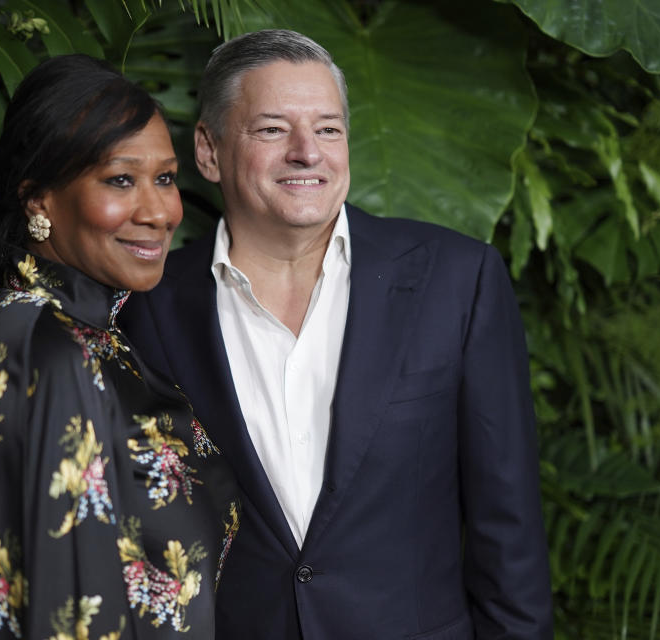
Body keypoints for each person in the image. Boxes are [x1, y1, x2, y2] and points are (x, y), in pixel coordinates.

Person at [119, 30, 554, 639]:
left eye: (328, 129)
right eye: (272, 129)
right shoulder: (149, 306)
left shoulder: (457, 280)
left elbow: (509, 534)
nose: (307, 152)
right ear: (210, 150)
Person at [0, 54, 240, 640]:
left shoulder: (65, 327)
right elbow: (65, 607)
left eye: (166, 178)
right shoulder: (50, 349)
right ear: (38, 199)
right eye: (120, 180)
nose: (159, 212)